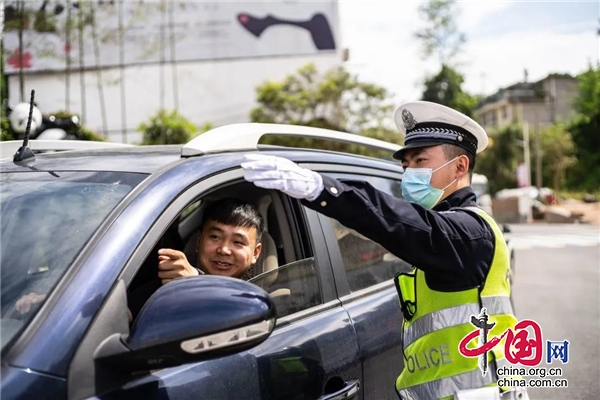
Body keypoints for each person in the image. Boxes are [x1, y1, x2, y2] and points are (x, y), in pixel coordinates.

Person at [241, 101, 527, 400]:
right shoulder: (451, 231)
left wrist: (321, 189)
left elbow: (406, 225)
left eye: (420, 161)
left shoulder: (469, 232)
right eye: (406, 165)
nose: (409, 173)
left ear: (460, 166)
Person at [128, 197, 264, 319]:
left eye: (238, 242)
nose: (223, 250)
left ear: (255, 253)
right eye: (215, 237)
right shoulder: (165, 287)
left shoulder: (259, 301)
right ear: (199, 241)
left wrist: (195, 283)